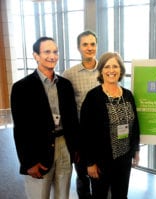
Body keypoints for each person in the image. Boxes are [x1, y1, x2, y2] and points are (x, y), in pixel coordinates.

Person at [10, 37, 80, 199]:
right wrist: (28, 162)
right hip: (38, 150)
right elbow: (20, 129)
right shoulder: (22, 88)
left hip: (64, 147)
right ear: (36, 56)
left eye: (55, 52)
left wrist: (75, 148)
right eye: (47, 52)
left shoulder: (65, 85)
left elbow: (72, 121)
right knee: (39, 195)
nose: (52, 56)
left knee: (63, 195)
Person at [80, 52, 140, 199]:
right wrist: (89, 162)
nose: (111, 70)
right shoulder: (93, 97)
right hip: (100, 161)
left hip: (124, 159)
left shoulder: (127, 95)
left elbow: (135, 126)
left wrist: (135, 150)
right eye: (107, 66)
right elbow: (85, 132)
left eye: (115, 66)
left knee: (121, 195)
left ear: (121, 70)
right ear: (101, 70)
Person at [63, 30, 99, 199]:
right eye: (85, 44)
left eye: (92, 44)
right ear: (79, 48)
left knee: (103, 176)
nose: (89, 48)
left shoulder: (107, 70)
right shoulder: (69, 75)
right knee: (83, 175)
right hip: (81, 135)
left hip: (103, 134)